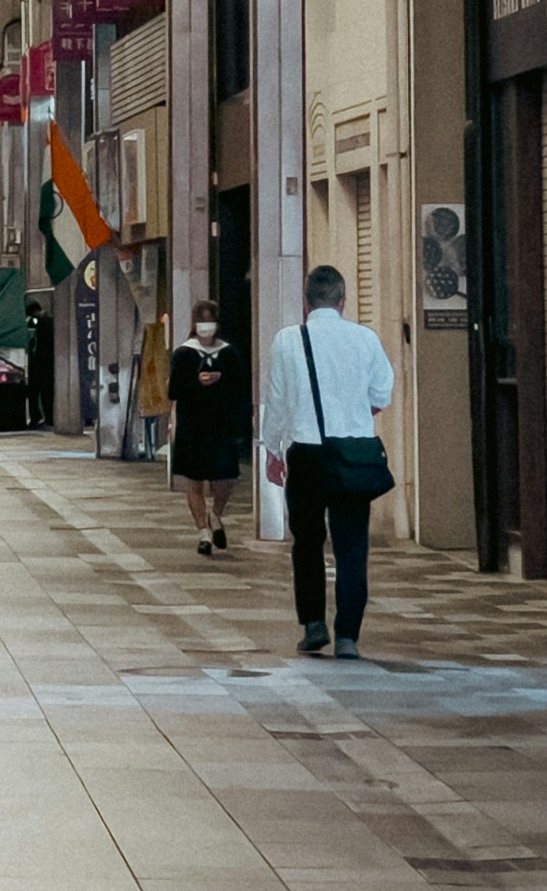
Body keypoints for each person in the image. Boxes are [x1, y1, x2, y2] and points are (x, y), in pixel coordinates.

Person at [262, 261, 395, 660]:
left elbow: (277, 400)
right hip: (353, 454)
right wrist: (354, 414)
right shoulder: (365, 338)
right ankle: (348, 637)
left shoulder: (288, 340)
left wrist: (272, 450)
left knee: (307, 542)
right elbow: (382, 393)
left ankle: (313, 624)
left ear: (306, 303)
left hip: (306, 453)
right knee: (352, 547)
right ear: (342, 301)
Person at [168, 301, 247, 551]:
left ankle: (216, 514)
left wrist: (220, 379)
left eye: (210, 321)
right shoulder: (184, 353)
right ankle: (203, 533)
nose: (206, 326)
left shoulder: (228, 353)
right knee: (194, 481)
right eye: (201, 321)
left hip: (222, 425)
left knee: (226, 478)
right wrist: (197, 382)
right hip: (192, 425)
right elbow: (174, 390)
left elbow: (240, 388)